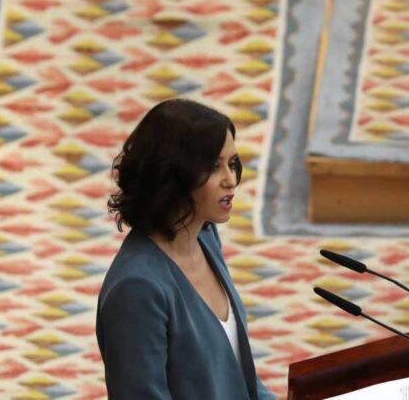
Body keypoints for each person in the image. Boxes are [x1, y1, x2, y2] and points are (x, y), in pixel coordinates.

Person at [96, 99, 276, 400]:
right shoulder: (137, 289)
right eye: (213, 167)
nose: (231, 180)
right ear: (174, 174)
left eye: (231, 164)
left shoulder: (205, 238)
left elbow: (237, 376)